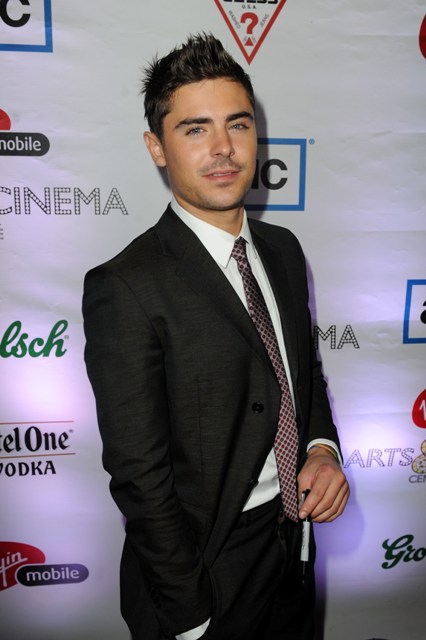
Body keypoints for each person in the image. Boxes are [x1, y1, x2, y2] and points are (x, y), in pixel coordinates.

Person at [83, 33, 349, 640]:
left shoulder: (283, 250)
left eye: (238, 124)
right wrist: (189, 613)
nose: (223, 148)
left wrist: (321, 449)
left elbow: (301, 376)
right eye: (195, 129)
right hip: (205, 569)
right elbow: (139, 474)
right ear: (157, 146)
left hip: (294, 548)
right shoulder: (125, 286)